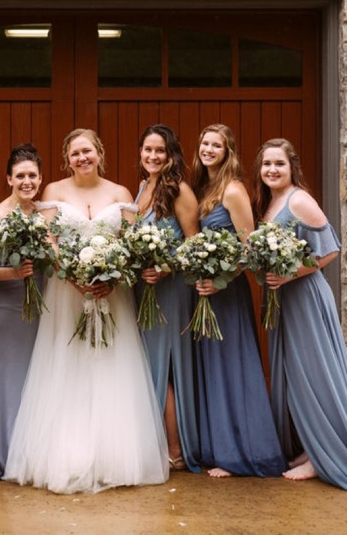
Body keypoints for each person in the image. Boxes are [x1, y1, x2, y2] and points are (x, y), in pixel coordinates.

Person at [4, 129, 168, 494]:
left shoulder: (121, 193)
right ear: (67, 158)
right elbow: (48, 241)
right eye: (76, 153)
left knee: (111, 366)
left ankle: (114, 456)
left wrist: (114, 276)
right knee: (69, 367)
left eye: (88, 151)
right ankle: (66, 455)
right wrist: (72, 276)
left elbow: (130, 244)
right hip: (68, 293)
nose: (83, 158)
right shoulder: (54, 192)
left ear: (99, 153)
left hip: (112, 293)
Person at [252, 138, 347, 494]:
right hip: (285, 300)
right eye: (266, 164)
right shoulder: (271, 201)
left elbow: (330, 249)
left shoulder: (299, 199)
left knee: (316, 374)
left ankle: (325, 457)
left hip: (305, 297)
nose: (272, 169)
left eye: (279, 164)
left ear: (292, 167)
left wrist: (289, 274)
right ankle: (311, 448)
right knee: (294, 375)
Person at [190, 123, 287, 478]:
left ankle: (244, 454)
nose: (209, 149)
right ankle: (220, 448)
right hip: (207, 292)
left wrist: (220, 280)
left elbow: (250, 248)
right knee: (214, 370)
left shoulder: (233, 190)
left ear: (228, 151)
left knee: (234, 367)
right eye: (205, 143)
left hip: (227, 293)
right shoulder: (206, 188)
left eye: (217, 145)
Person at [133, 124, 201, 473]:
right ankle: (155, 441)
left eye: (160, 150)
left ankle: (175, 449)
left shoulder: (179, 191)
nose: (153, 156)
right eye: (148, 150)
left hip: (169, 289)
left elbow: (194, 243)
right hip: (143, 289)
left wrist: (164, 267)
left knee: (164, 365)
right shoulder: (144, 186)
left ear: (171, 154)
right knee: (146, 366)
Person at [0, 144, 46, 481]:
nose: (27, 181)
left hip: (40, 309)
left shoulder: (44, 215)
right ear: (9, 179)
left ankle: (33, 456)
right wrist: (14, 274)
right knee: (9, 384)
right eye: (20, 175)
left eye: (32, 175)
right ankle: (3, 456)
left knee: (38, 382)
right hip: (6, 308)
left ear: (41, 178)